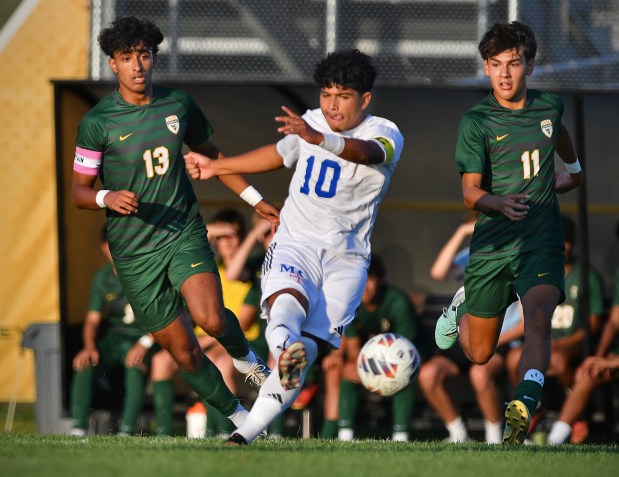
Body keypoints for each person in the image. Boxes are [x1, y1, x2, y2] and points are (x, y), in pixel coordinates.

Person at [185, 48, 404, 445]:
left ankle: (247, 431)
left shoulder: (385, 133)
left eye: (344, 95)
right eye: (326, 93)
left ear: (365, 99)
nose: (332, 104)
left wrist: (319, 137)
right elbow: (279, 154)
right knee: (286, 307)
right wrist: (218, 166)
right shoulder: (312, 123)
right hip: (296, 241)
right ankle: (282, 356)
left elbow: (368, 154)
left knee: (310, 351)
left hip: (347, 260)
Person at [71, 16, 278, 435]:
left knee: (213, 319)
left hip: (182, 232)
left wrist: (256, 201)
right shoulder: (98, 123)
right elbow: (78, 191)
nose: (137, 65)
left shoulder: (178, 105)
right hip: (134, 254)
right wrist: (104, 197)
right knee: (184, 355)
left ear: (153, 58)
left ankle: (251, 363)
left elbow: (214, 158)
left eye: (143, 55)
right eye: (126, 58)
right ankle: (241, 419)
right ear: (112, 64)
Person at [433, 21, 583, 445]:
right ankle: (461, 307)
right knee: (479, 354)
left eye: (513, 64)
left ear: (529, 66)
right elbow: (469, 194)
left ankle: (524, 402)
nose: (504, 73)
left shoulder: (550, 107)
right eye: (495, 64)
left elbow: (562, 150)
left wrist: (570, 173)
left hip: (541, 239)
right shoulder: (477, 121)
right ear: (485, 67)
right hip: (493, 244)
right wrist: (497, 202)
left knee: (538, 318)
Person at [424, 214, 524, 444]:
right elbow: (438, 273)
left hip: (502, 338)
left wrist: (491, 342)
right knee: (429, 373)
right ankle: (458, 434)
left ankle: (493, 438)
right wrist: (461, 232)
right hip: (470, 333)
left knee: (480, 372)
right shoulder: (474, 257)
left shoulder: (519, 260)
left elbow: (524, 325)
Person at [70, 229, 158, 436]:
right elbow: (92, 319)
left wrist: (145, 342)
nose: (118, 249)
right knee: (84, 360)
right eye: (112, 245)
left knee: (134, 364)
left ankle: (126, 431)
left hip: (144, 336)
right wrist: (89, 346)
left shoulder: (147, 272)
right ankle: (77, 429)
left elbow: (167, 313)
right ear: (103, 249)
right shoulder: (102, 277)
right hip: (114, 338)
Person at [332, 254, 420, 442]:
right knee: (348, 372)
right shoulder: (351, 304)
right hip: (371, 360)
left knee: (404, 375)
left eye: (369, 279)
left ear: (379, 279)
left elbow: (407, 349)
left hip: (407, 358)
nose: (364, 287)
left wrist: (384, 368)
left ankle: (401, 436)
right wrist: (358, 366)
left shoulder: (398, 302)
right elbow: (354, 345)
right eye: (359, 280)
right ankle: (345, 435)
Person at [547, 270, 619, 444]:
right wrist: (597, 358)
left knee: (560, 360)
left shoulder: (588, 277)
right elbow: (615, 320)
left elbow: (595, 323)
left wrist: (615, 362)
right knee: (589, 373)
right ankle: (555, 440)